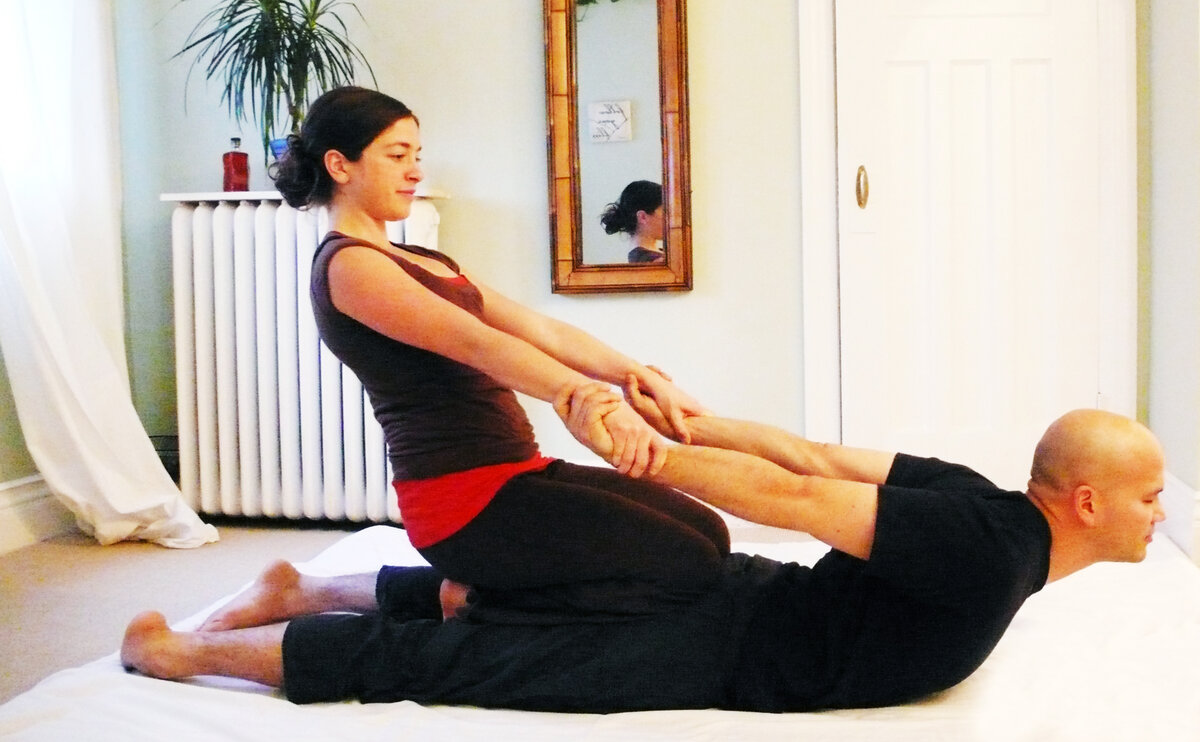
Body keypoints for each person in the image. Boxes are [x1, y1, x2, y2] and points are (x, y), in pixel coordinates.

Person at [120, 384, 1166, 712]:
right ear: (1085, 501)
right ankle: (184, 654)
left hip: (742, 598)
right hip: (724, 645)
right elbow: (799, 491)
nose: (1160, 512)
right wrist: (654, 454)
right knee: (478, 660)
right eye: (1150, 496)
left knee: (496, 610)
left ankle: (301, 586)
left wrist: (688, 424)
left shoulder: (983, 502)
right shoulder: (987, 547)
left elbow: (803, 453)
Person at [269, 86, 729, 624]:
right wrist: (589, 397)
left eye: (416, 155)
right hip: (463, 502)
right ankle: (463, 603)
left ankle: (429, 594)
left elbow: (540, 329)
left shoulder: (421, 258)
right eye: (397, 155)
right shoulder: (351, 265)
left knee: (709, 534)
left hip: (517, 471)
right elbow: (478, 343)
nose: (415, 170)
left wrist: (635, 376)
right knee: (687, 563)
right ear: (339, 165)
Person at [599, 180, 666, 264]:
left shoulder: (656, 256)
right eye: (665, 212)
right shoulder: (655, 261)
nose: (670, 218)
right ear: (643, 217)